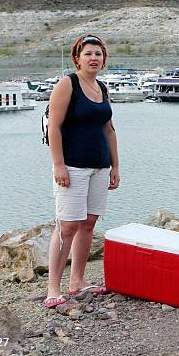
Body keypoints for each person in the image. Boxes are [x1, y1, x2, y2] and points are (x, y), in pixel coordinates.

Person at [43, 34, 120, 308]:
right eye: (88, 53)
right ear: (77, 58)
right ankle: (54, 288)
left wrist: (115, 166)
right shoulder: (68, 84)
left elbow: (109, 130)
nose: (94, 58)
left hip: (100, 166)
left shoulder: (102, 87)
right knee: (67, 226)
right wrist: (58, 164)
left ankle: (77, 282)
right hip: (72, 166)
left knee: (88, 224)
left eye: (98, 54)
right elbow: (54, 127)